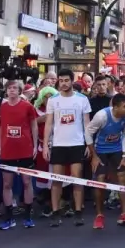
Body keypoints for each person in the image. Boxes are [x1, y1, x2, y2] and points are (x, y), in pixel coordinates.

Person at [42, 69, 92, 226]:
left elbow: (87, 124)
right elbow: (48, 124)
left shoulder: (82, 99)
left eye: (66, 80)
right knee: (57, 181)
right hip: (58, 145)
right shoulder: (53, 100)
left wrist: (88, 144)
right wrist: (45, 146)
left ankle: (78, 212)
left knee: (77, 179)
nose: (63, 83)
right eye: (61, 80)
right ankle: (55, 212)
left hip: (77, 144)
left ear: (72, 81)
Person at [0, 80, 40, 230]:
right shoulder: (2, 107)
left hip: (25, 150)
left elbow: (34, 125)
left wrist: (35, 145)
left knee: (27, 182)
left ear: (20, 90)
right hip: (7, 151)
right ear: (6, 90)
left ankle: (27, 217)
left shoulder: (27, 106)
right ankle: (9, 218)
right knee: (7, 184)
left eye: (15, 88)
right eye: (9, 88)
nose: (12, 90)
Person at [86, 93, 125, 229]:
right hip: (100, 150)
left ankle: (124, 213)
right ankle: (99, 215)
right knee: (100, 181)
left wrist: (124, 155)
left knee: (123, 177)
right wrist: (94, 156)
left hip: (116, 149)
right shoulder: (102, 116)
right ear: (116, 107)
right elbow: (88, 133)